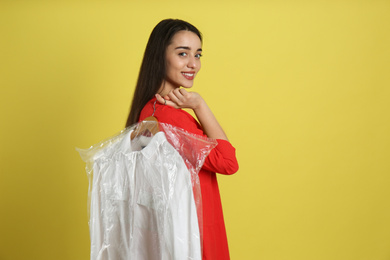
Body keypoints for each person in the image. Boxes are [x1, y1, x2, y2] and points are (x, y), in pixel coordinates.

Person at [125, 19, 239, 260]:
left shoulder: (148, 110)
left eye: (197, 55)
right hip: (196, 234)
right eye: (182, 53)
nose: (193, 64)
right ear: (160, 56)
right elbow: (228, 162)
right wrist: (199, 104)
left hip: (174, 235)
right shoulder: (171, 118)